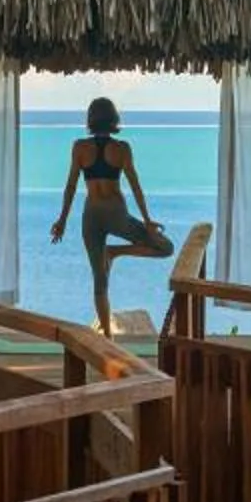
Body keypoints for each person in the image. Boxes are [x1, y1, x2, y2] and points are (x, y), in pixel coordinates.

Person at [50, 96, 172, 330]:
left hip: (93, 214)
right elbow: (135, 186)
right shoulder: (121, 148)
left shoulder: (80, 147)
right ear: (114, 119)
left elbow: (71, 187)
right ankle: (107, 335)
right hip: (115, 213)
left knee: (100, 282)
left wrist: (63, 219)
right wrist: (146, 220)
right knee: (164, 248)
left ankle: (114, 252)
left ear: (91, 120)